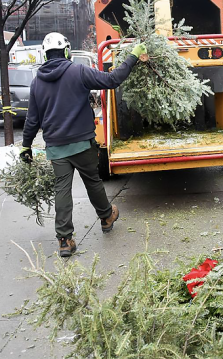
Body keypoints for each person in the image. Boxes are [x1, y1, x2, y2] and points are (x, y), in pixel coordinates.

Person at [19, 32, 147, 257]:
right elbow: (111, 80)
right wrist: (133, 56)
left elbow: (32, 120)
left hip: (56, 148)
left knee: (62, 190)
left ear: (45, 54)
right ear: (66, 51)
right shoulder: (77, 71)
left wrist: (26, 146)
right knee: (93, 182)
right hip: (82, 144)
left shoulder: (37, 82)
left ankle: (65, 240)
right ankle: (106, 217)